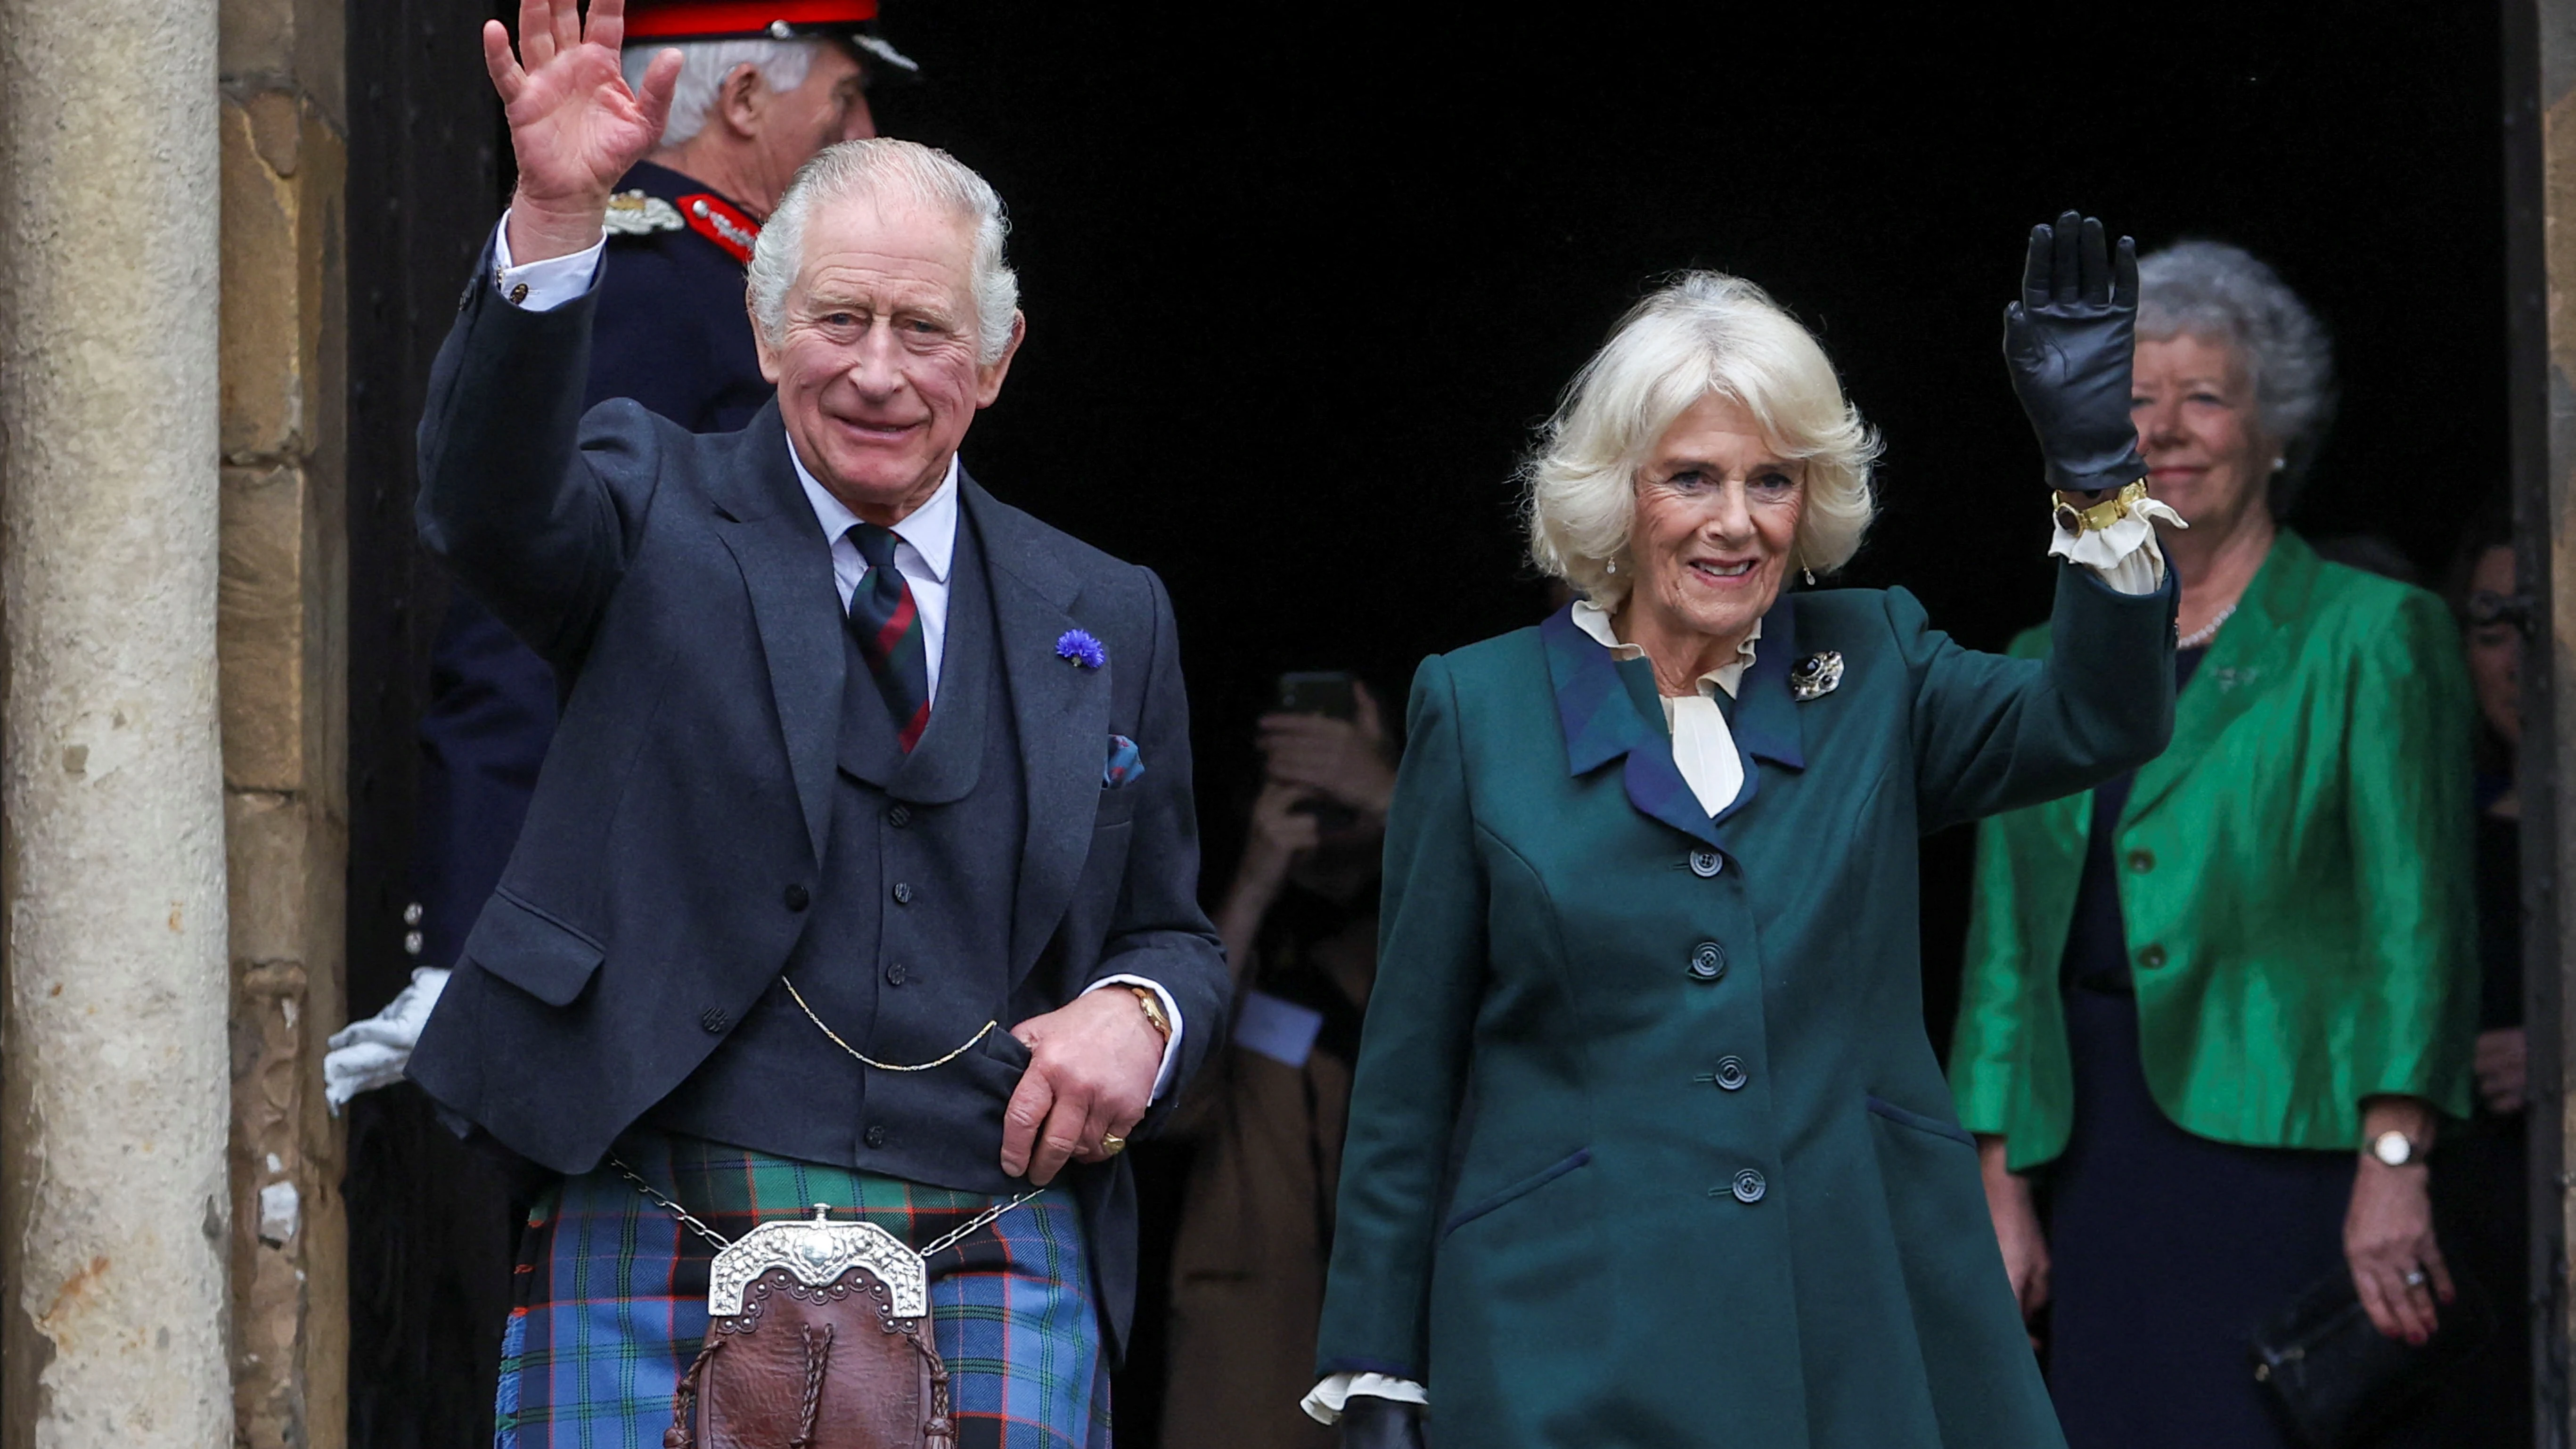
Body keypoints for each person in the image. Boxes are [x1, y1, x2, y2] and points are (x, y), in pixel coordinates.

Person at [406, 6, 1228, 1447]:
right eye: (839, 320)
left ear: (1000, 354)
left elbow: (1169, 928)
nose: (878, 371)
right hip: (657, 1192)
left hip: (981, 1228)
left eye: (927, 331)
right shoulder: (646, 504)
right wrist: (553, 212)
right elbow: (484, 505)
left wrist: (1138, 1014)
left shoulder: (1107, 608)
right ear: (764, 327)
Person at [1311, 216, 2182, 1449]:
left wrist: (2095, 470)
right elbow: (1408, 1073)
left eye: (1770, 480)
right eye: (1691, 478)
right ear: (1619, 488)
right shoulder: (1481, 702)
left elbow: (2105, 715)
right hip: (1568, 1334)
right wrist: (1373, 1363)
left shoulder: (1876, 664)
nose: (1735, 523)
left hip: (1851, 1318)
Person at [326, 0, 913, 1106]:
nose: (867, 126)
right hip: (656, 932)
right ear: (742, 102)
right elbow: (523, 600)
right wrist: (467, 935)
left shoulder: (739, 288)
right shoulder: (658, 283)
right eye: (842, 98)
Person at [1951, 241, 2478, 1449]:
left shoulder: (2374, 633)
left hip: (2288, 1158)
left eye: (2207, 394)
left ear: (2277, 430)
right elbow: (2002, 951)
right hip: (2087, 1155)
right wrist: (1995, 1175)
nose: (2168, 428)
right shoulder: (2044, 658)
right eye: (2137, 397)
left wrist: (2395, 1157)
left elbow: (2420, 919)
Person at [1161, 685, 1397, 1449]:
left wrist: (1400, 802)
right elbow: (1171, 1096)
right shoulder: (1220, 926)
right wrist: (1259, 877)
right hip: (1252, 1335)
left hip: (1411, 1326)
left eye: (1340, 774)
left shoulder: (1433, 905)